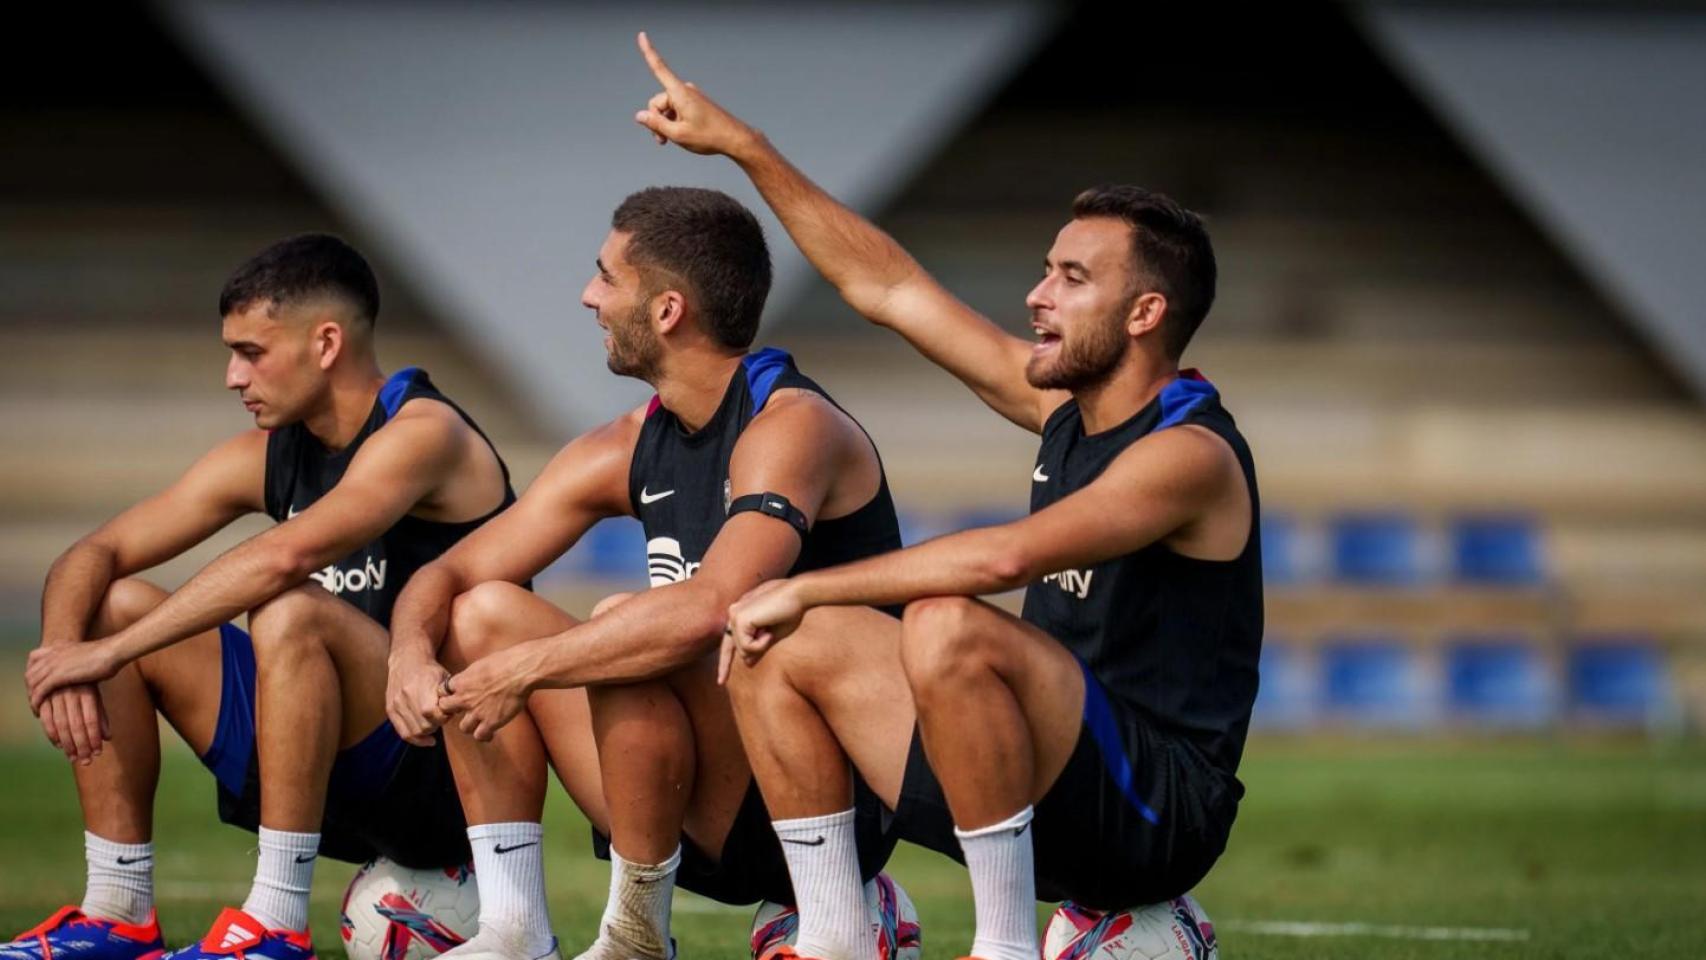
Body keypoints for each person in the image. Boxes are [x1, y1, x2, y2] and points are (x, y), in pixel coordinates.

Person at [631, 33, 1261, 960]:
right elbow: (885, 285)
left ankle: (1002, 947)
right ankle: (839, 931)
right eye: (1048, 269)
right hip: (1029, 770)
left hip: (1156, 806)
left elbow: (1003, 558)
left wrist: (810, 582)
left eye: (1071, 278)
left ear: (1145, 314)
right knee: (768, 637)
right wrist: (745, 148)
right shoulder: (1062, 406)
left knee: (943, 623)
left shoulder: (1191, 454)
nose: (1038, 295)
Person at [384, 186, 902, 960]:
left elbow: (716, 607)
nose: (588, 296)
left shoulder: (790, 424)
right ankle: (515, 928)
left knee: (629, 624)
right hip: (688, 795)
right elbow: (450, 572)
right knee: (482, 612)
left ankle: (655, 934)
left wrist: (525, 672)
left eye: (606, 276)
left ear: (667, 310)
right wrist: (408, 655)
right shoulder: (624, 443)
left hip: (824, 806)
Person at [10, 235, 516, 960]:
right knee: (111, 600)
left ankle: (275, 923)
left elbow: (290, 554)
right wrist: (66, 649)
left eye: (251, 352)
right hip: (322, 755)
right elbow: (95, 552)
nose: (231, 376)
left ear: (327, 342)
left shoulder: (425, 433)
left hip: (446, 761)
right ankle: (116, 911)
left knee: (288, 606)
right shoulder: (269, 454)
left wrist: (105, 655)